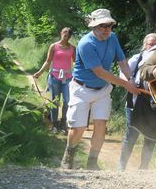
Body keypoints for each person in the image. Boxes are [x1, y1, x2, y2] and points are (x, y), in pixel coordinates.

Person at [60, 9, 140, 170]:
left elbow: (122, 60)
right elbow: (99, 72)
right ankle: (69, 155)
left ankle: (92, 162)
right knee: (78, 128)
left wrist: (130, 78)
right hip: (81, 88)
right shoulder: (86, 43)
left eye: (110, 25)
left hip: (102, 89)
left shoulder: (113, 38)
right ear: (94, 26)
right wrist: (125, 84)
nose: (107, 29)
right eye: (102, 25)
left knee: (101, 124)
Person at [117, 32, 156, 171]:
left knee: (151, 136)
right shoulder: (137, 59)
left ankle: (144, 167)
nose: (153, 46)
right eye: (151, 44)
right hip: (135, 102)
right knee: (131, 135)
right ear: (145, 45)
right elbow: (122, 75)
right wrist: (129, 85)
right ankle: (121, 167)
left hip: (154, 104)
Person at [33, 27, 76, 133]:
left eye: (69, 33)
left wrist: (78, 74)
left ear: (70, 36)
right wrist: (39, 72)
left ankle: (63, 123)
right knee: (54, 101)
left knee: (67, 101)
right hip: (54, 76)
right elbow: (48, 61)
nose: (67, 34)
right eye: (65, 32)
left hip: (68, 78)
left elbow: (75, 62)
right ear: (61, 33)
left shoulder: (72, 48)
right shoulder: (54, 46)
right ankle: (54, 124)